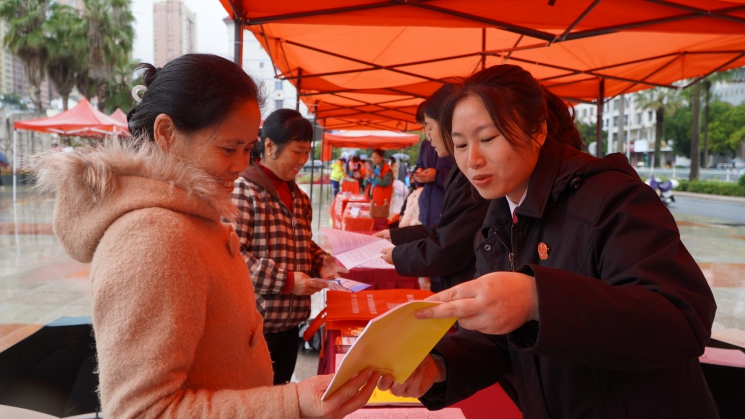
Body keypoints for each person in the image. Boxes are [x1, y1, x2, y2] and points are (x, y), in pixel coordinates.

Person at [34, 54, 378, 419]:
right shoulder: (153, 236)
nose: (240, 166)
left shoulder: (190, 213)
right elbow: (141, 411)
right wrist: (292, 403)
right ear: (166, 133)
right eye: (228, 149)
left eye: (248, 149)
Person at [378, 64, 719, 418]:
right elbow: (502, 339)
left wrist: (539, 299)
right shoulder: (496, 223)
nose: (472, 159)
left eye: (489, 138)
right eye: (460, 144)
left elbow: (681, 319)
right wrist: (440, 366)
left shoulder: (612, 199)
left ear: (538, 130)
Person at [232, 108, 348, 386]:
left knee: (281, 393)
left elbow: (300, 243)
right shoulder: (243, 191)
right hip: (256, 327)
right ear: (269, 145)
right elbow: (233, 257)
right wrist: (286, 282)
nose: (303, 160)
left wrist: (321, 260)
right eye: (297, 151)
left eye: (307, 152)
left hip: (291, 322)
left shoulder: (300, 197)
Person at [374, 84, 490, 292]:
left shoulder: (471, 178)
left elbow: (450, 245)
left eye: (488, 139)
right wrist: (397, 236)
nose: (474, 161)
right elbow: (448, 231)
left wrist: (398, 255)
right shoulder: (458, 171)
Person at [413, 129, 453, 226]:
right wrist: (419, 175)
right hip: (426, 208)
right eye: (424, 129)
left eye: (429, 128)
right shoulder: (425, 144)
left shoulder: (453, 142)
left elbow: (461, 176)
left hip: (446, 208)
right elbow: (419, 165)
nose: (428, 135)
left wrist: (437, 175)